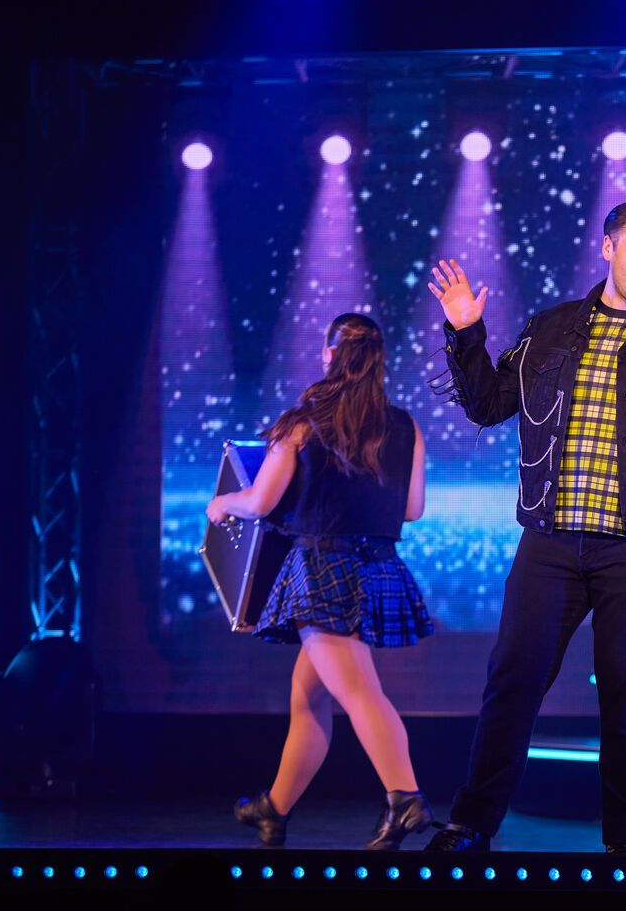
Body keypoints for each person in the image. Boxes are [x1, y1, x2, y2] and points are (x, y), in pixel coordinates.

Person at [424, 196, 626, 854]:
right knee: (512, 682)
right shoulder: (554, 327)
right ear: (608, 248)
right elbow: (488, 405)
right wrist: (466, 334)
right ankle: (471, 823)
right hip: (552, 538)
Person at [208, 312, 434, 850]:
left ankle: (405, 799)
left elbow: (260, 502)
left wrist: (223, 503)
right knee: (307, 697)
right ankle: (274, 808)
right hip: (376, 568)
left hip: (322, 572)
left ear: (330, 355)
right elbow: (412, 510)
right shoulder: (405, 427)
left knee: (358, 692)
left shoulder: (303, 423)